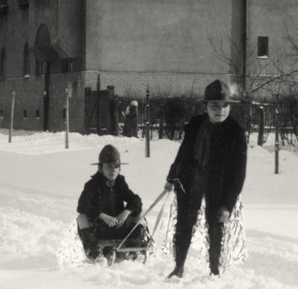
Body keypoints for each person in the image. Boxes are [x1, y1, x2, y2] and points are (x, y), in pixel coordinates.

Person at [164, 79, 248, 278]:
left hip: (218, 185)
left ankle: (214, 271)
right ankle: (178, 267)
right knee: (184, 222)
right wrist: (172, 177)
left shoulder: (235, 132)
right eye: (215, 106)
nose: (220, 110)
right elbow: (183, 153)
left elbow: (238, 172)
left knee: (215, 224)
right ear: (206, 106)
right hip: (191, 179)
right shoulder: (195, 125)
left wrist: (228, 204)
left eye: (225, 106)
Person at [76, 144, 144, 262]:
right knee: (81, 218)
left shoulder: (120, 182)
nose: (113, 171)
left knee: (137, 214)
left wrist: (126, 212)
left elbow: (136, 200)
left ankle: (133, 250)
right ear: (100, 167)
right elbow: (82, 206)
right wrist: (102, 216)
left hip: (118, 227)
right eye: (109, 167)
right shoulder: (92, 185)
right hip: (100, 229)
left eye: (116, 167)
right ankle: (95, 253)